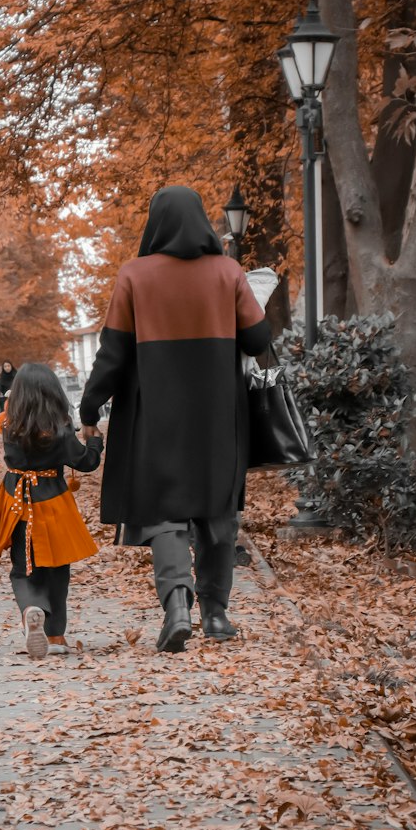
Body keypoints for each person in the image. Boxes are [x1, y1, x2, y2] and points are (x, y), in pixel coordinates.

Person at [79, 184, 270, 654]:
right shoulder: (228, 271)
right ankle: (219, 614)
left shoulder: (135, 275)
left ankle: (177, 608)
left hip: (155, 416)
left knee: (165, 512)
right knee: (217, 510)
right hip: (218, 415)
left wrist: (89, 408)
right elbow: (257, 340)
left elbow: (114, 352)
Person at [0, 363, 103, 659]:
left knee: (23, 568)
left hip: (16, 502)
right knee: (57, 569)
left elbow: (3, 415)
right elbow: (86, 462)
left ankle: (31, 611)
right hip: (53, 503)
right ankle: (56, 635)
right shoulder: (61, 431)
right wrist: (96, 442)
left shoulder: (8, 426)